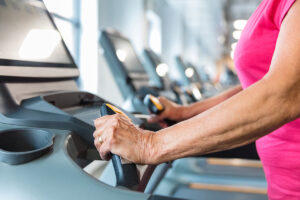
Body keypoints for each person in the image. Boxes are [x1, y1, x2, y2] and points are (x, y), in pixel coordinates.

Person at [93, 0, 300, 198]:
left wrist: (149, 144)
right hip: (282, 185)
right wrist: (184, 112)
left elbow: (284, 93)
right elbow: (254, 84)